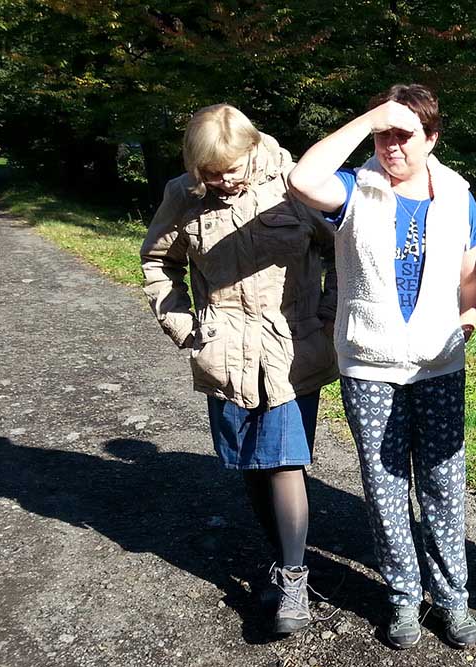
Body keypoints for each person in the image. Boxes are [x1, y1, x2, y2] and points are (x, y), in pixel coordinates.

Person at [288, 84, 476, 650]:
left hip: (439, 365)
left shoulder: (458, 195)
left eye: (404, 135)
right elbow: (302, 180)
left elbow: (471, 275)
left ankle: (451, 598)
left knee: (444, 484)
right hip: (369, 364)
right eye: (384, 135)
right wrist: (370, 117)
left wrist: (469, 317)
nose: (392, 145)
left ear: (432, 138)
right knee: (385, 486)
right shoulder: (355, 188)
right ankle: (403, 595)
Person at [141, 104, 339, 636]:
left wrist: (327, 315)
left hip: (291, 347)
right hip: (225, 352)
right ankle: (282, 560)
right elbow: (158, 262)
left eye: (231, 169)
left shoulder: (295, 186)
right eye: (211, 173)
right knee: (252, 463)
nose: (224, 180)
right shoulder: (183, 196)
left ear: (252, 149)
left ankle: (294, 580)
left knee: (285, 460)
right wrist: (185, 326)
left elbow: (342, 249)